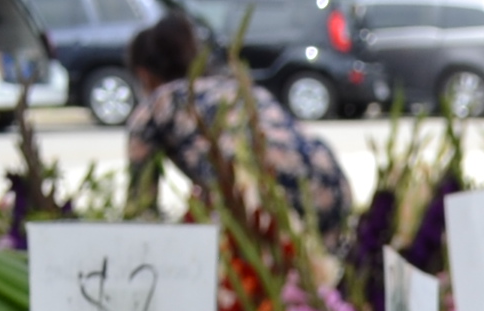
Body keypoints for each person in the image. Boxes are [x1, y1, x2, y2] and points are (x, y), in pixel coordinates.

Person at [121, 14, 357, 248]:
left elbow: (141, 210)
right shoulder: (232, 86)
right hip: (330, 183)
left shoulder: (155, 107)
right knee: (320, 279)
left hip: (264, 193)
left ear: (144, 74)